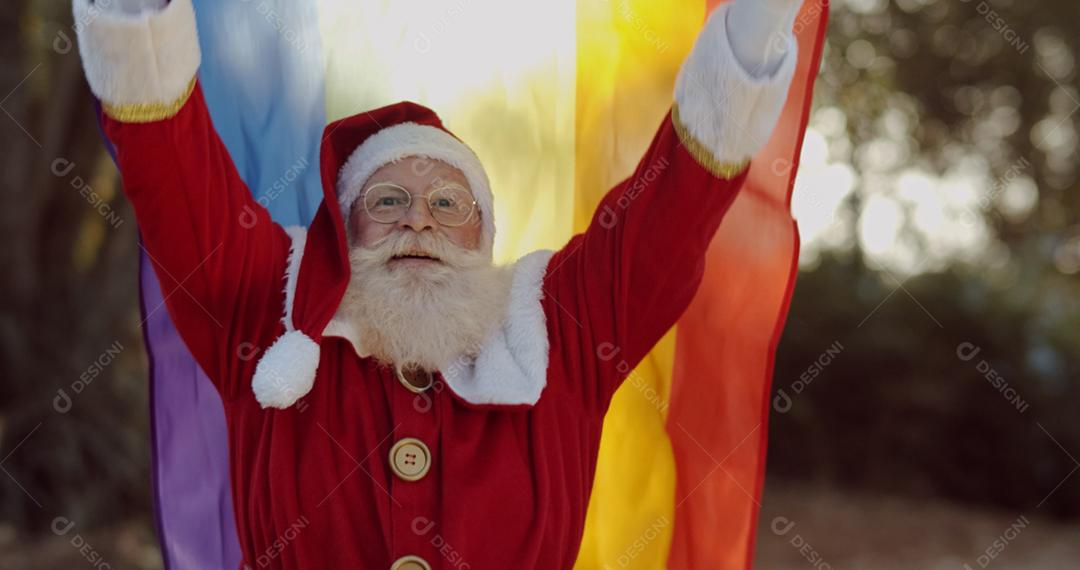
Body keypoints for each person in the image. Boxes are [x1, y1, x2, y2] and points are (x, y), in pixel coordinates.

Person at [73, 0, 803, 567]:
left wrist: (754, 34)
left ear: (485, 238)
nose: (418, 219)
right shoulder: (268, 309)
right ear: (345, 231)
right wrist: (134, 19)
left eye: (450, 204)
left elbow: (669, 209)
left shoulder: (560, 330)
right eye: (386, 202)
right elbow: (173, 164)